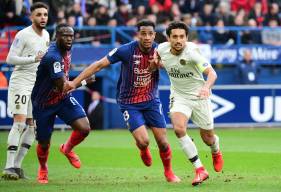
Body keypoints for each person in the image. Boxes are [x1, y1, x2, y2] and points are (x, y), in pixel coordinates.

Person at [65, 19, 180, 183]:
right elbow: (98, 65)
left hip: (151, 101)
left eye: (150, 34)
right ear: (137, 35)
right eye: (143, 34)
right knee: (144, 141)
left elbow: (175, 63)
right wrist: (74, 83)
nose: (147, 37)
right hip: (129, 103)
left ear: (155, 35)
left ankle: (169, 172)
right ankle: (142, 149)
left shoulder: (160, 50)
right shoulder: (126, 50)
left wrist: (160, 65)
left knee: (162, 142)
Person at [155, 21, 224, 186]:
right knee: (179, 129)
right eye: (175, 37)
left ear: (186, 38)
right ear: (169, 38)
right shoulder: (161, 49)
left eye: (182, 37)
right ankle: (200, 169)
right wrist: (157, 64)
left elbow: (212, 73)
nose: (178, 40)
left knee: (208, 138)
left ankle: (215, 150)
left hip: (200, 96)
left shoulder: (193, 53)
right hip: (179, 96)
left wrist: (206, 87)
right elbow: (162, 60)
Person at [31, 23, 91, 184]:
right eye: (65, 35)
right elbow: (64, 87)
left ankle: (67, 149)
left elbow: (63, 89)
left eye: (71, 36)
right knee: (44, 143)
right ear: (56, 37)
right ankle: (43, 168)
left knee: (84, 128)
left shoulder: (67, 49)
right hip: (43, 103)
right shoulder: (53, 57)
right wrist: (84, 80)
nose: (69, 39)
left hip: (61, 99)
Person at [3, 2, 50, 180]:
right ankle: (8, 167)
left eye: (45, 14)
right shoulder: (23, 35)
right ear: (32, 17)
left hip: (36, 85)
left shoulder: (46, 35)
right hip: (21, 82)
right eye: (39, 14)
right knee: (20, 123)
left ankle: (17, 166)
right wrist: (32, 59)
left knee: (32, 128)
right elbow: (9, 59)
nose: (43, 18)